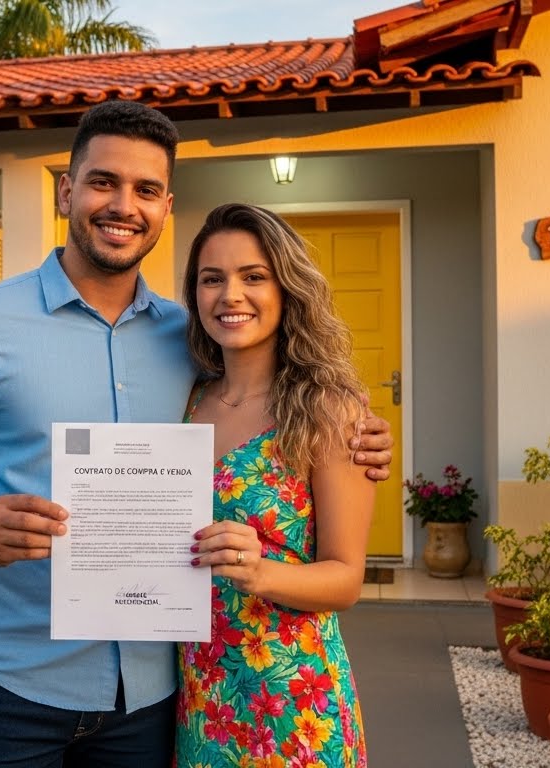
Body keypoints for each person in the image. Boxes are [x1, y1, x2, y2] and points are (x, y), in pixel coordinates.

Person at [0, 100, 391, 768]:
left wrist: (355, 435)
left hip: (155, 693)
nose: (123, 204)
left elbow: (277, 420)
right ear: (67, 189)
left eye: (145, 189)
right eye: (103, 182)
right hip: (8, 679)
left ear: (164, 206)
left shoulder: (193, 342)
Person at [176, 203, 372, 767]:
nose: (229, 295)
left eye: (253, 277)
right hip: (201, 693)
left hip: (293, 701)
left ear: (288, 289)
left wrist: (261, 572)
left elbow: (347, 578)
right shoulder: (186, 401)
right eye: (212, 279)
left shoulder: (329, 411)